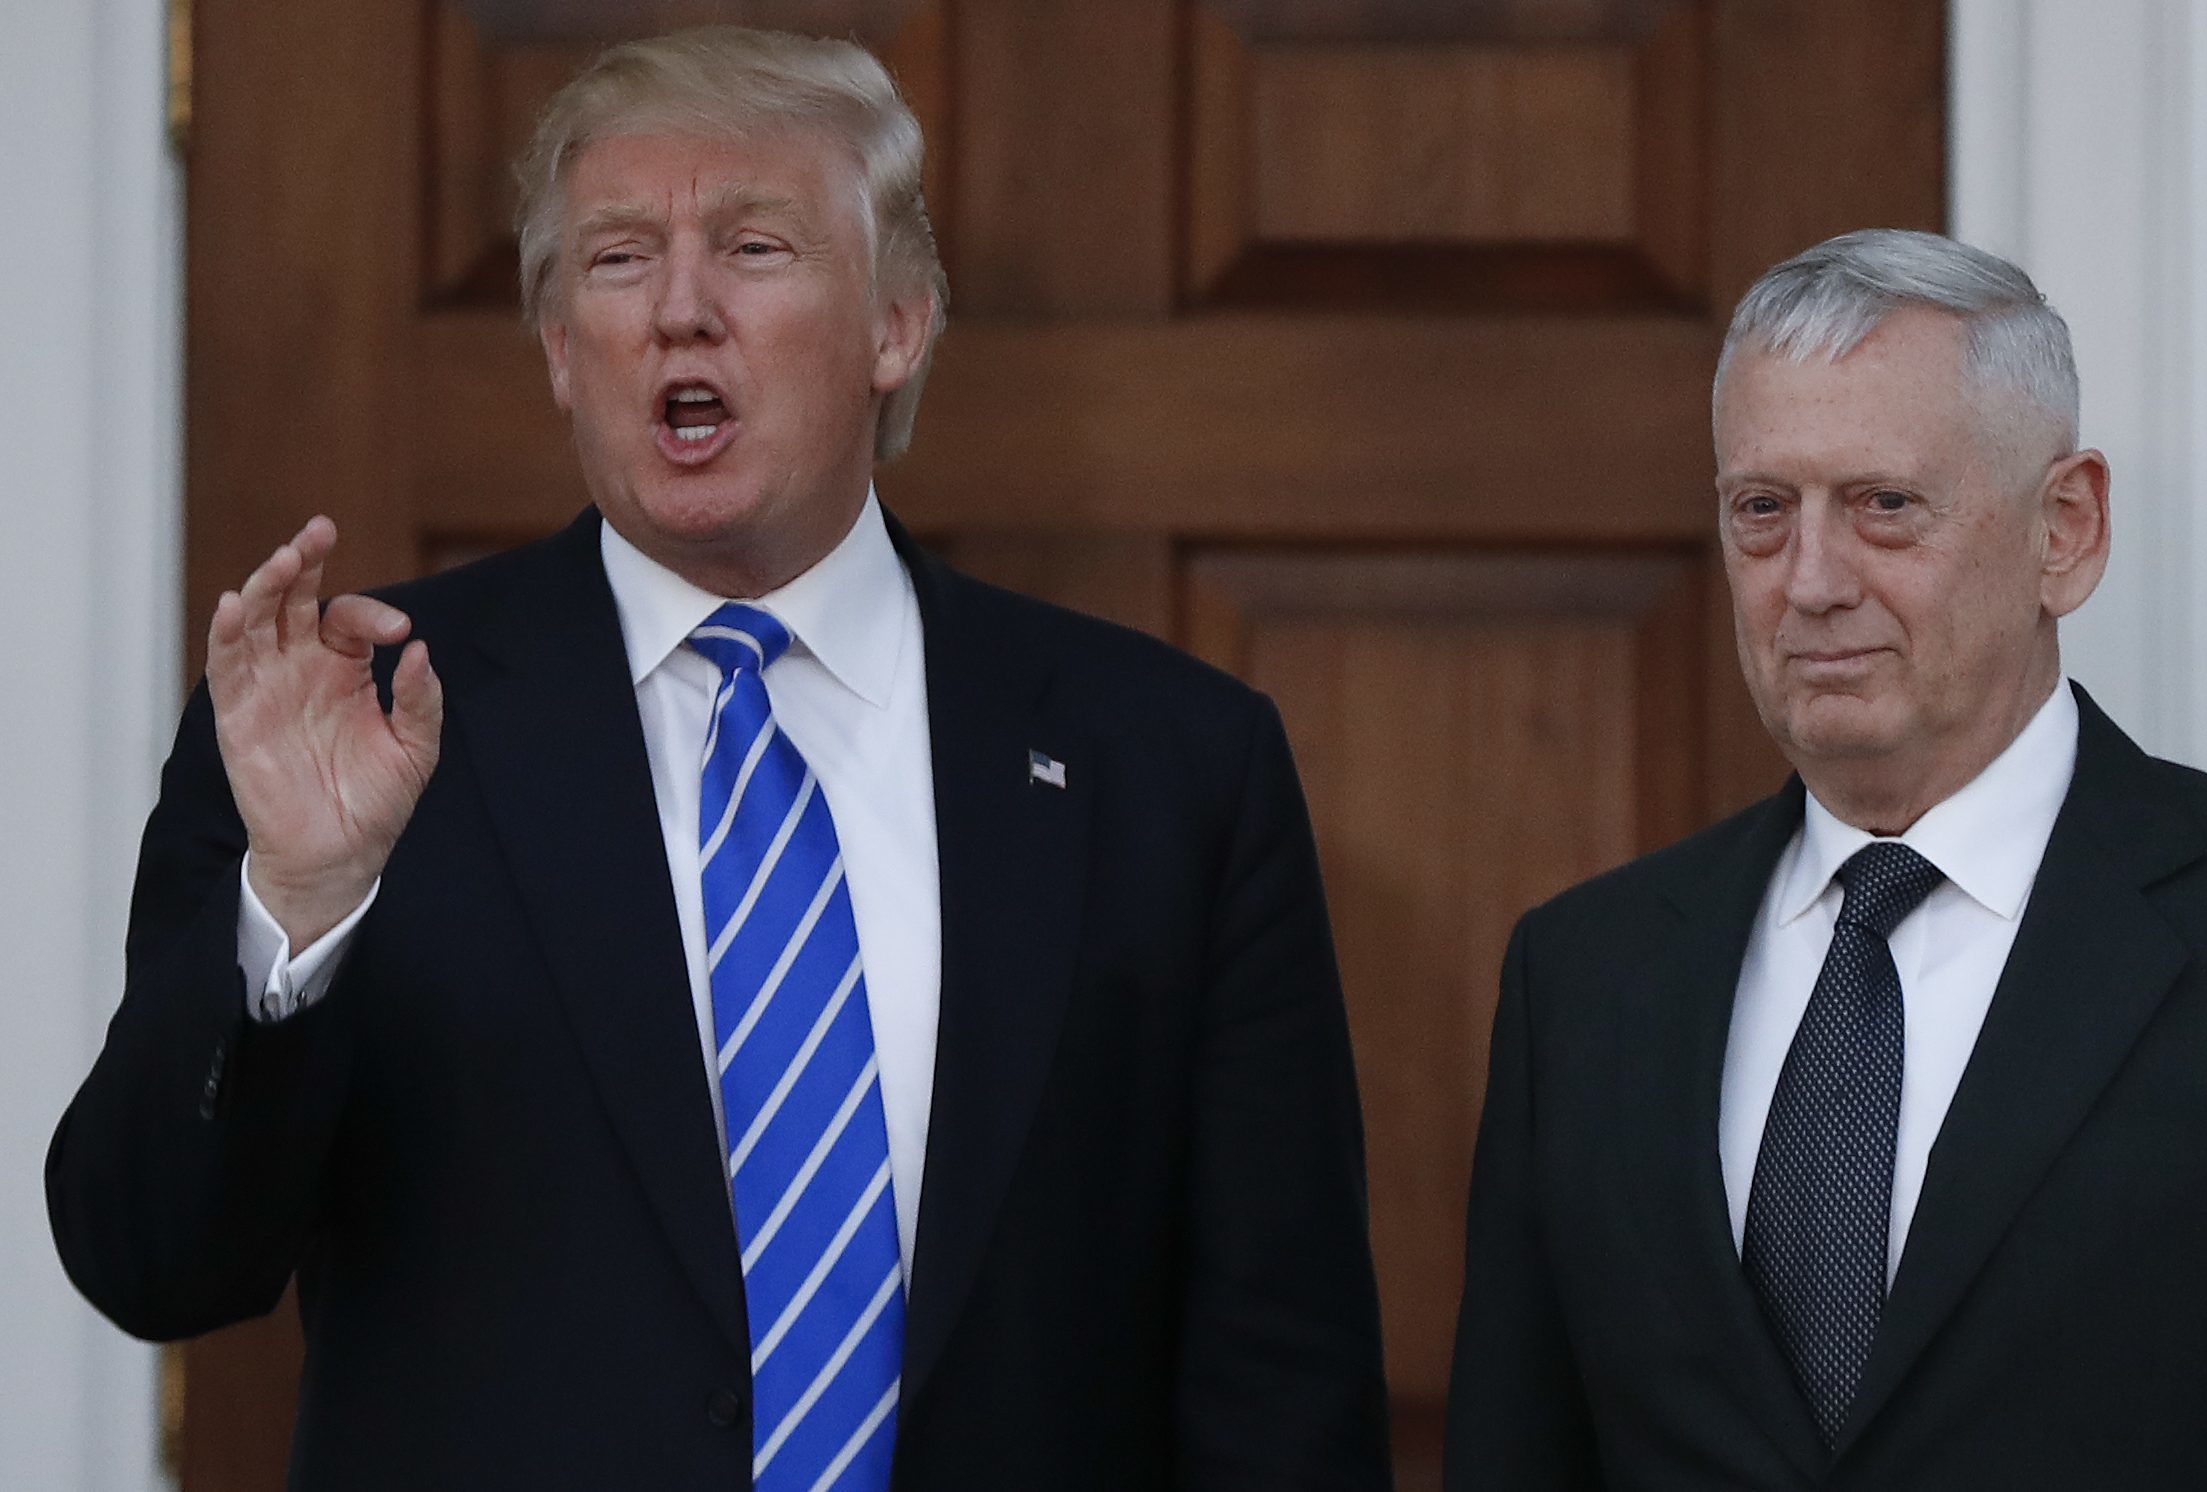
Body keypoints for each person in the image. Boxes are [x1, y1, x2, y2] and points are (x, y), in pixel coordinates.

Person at [49, 27, 1389, 1491]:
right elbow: (151, 1263)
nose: (680, 308)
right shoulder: (351, 725)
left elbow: (1283, 1382)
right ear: (564, 352)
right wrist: (299, 910)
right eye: (618, 262)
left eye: (753, 247)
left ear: (897, 324)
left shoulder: (1168, 766)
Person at [1443, 228, 2207, 1488]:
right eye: (1764, 511)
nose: (1813, 581)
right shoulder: (1587, 975)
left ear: (2065, 529)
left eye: (1885, 506)